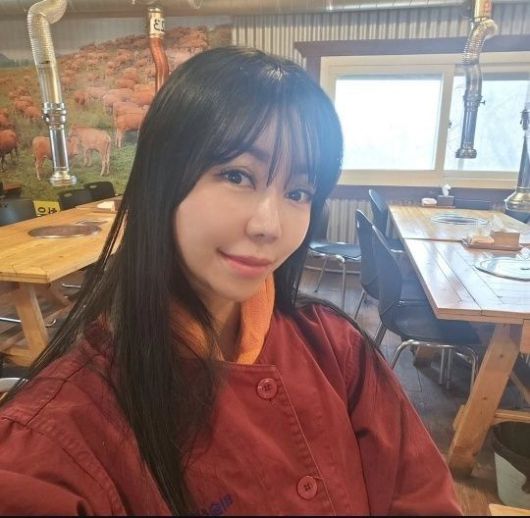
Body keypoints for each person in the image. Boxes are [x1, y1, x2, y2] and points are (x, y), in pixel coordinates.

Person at [0, 46, 462, 516]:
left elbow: (422, 495)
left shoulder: (335, 347)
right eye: (237, 176)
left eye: (298, 192)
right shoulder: (54, 440)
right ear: (162, 178)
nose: (270, 226)